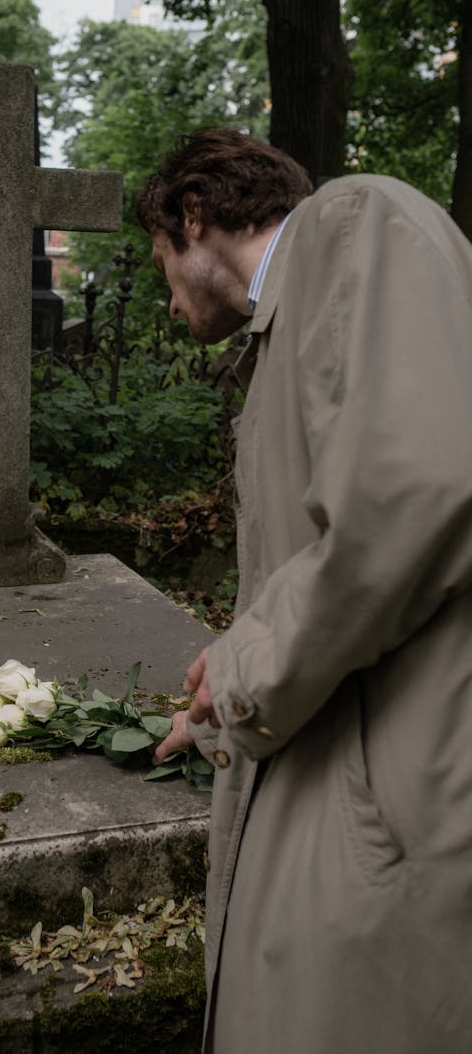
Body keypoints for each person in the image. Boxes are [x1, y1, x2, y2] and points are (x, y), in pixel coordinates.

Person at [143, 128, 472, 1053]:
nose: (167, 302)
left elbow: (410, 495)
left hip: (403, 802)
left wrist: (244, 663)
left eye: (161, 261)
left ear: (195, 219)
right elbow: (322, 567)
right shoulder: (287, 328)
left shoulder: (355, 221)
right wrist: (216, 695)